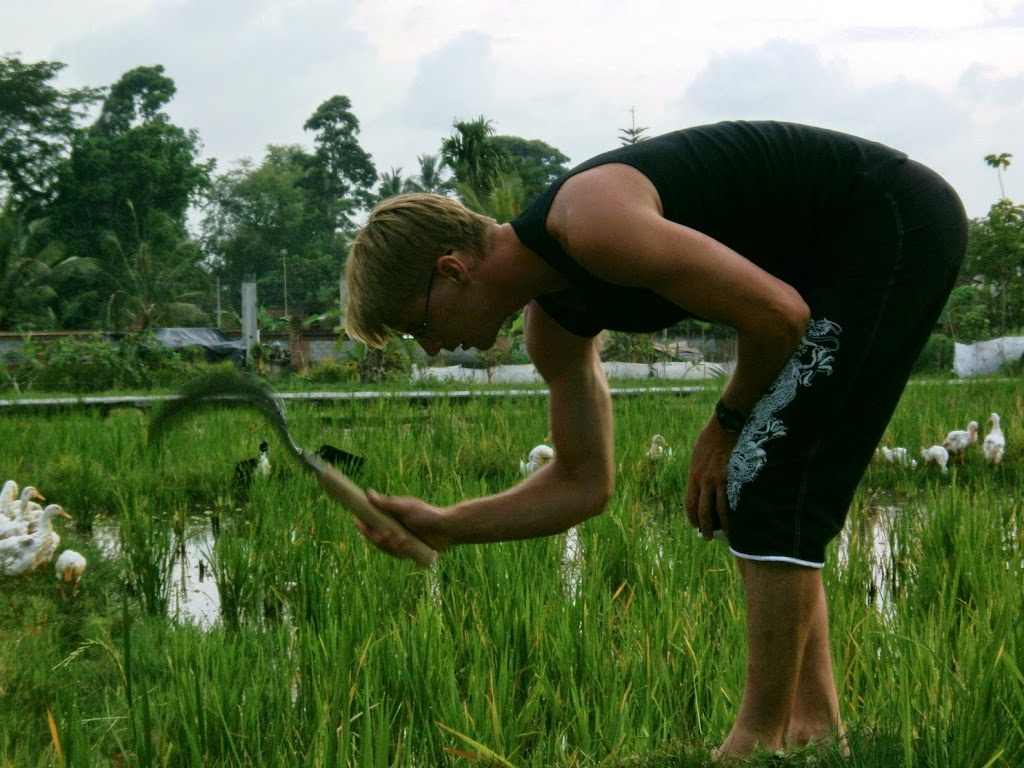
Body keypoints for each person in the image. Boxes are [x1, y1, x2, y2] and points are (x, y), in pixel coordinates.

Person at [343, 120, 967, 759]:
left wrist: (724, 426)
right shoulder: (554, 327)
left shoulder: (589, 222)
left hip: (892, 222)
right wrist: (448, 525)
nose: (431, 346)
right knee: (766, 478)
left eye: (416, 324)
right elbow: (582, 484)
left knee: (769, 474)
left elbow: (778, 315)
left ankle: (755, 742)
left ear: (452, 270)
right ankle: (817, 730)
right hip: (824, 264)